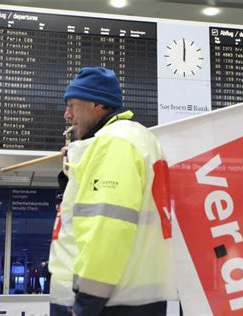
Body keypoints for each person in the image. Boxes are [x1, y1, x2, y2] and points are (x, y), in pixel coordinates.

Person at [48, 67, 177, 316]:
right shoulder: (135, 139)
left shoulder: (115, 143)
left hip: (108, 305)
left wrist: (84, 306)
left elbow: (107, 228)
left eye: (73, 105)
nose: (67, 114)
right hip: (130, 299)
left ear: (98, 104)